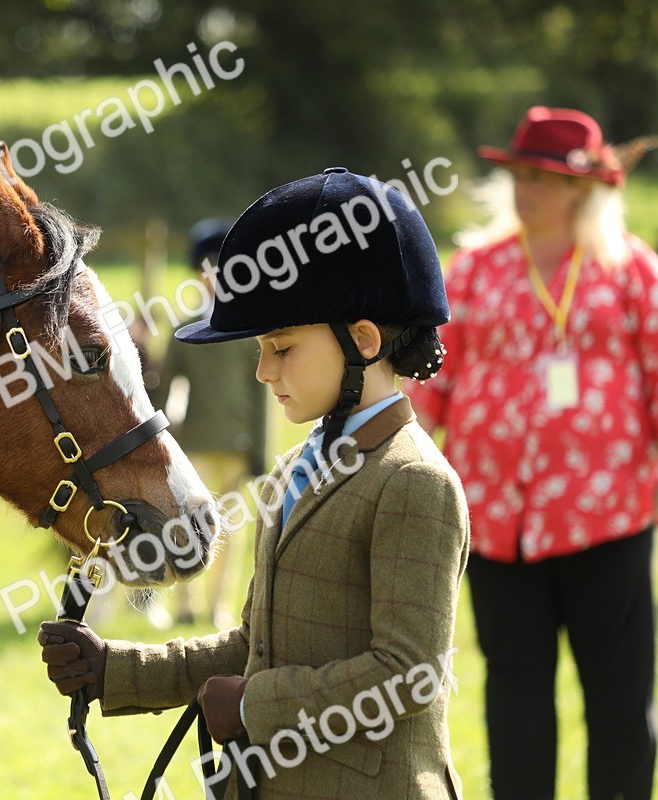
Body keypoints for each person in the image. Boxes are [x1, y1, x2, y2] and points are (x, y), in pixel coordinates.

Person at [39, 168, 469, 799]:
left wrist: (250, 706)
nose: (264, 371)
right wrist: (113, 669)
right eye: (262, 349)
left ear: (363, 340)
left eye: (282, 348)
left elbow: (409, 675)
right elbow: (258, 646)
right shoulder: (296, 468)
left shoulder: (414, 482)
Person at [406, 106, 658, 800]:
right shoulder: (474, 272)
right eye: (519, 174)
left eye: (542, 177)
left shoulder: (630, 271)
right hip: (496, 523)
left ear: (582, 188)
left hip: (609, 519)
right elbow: (429, 385)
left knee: (620, 697)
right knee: (514, 691)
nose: (526, 189)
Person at [152, 219, 267, 629]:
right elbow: (164, 389)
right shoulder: (184, 329)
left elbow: (261, 394)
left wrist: (260, 450)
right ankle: (186, 603)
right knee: (187, 523)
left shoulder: (249, 327)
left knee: (231, 531)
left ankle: (219, 606)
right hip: (194, 443)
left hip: (237, 443)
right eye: (208, 270)